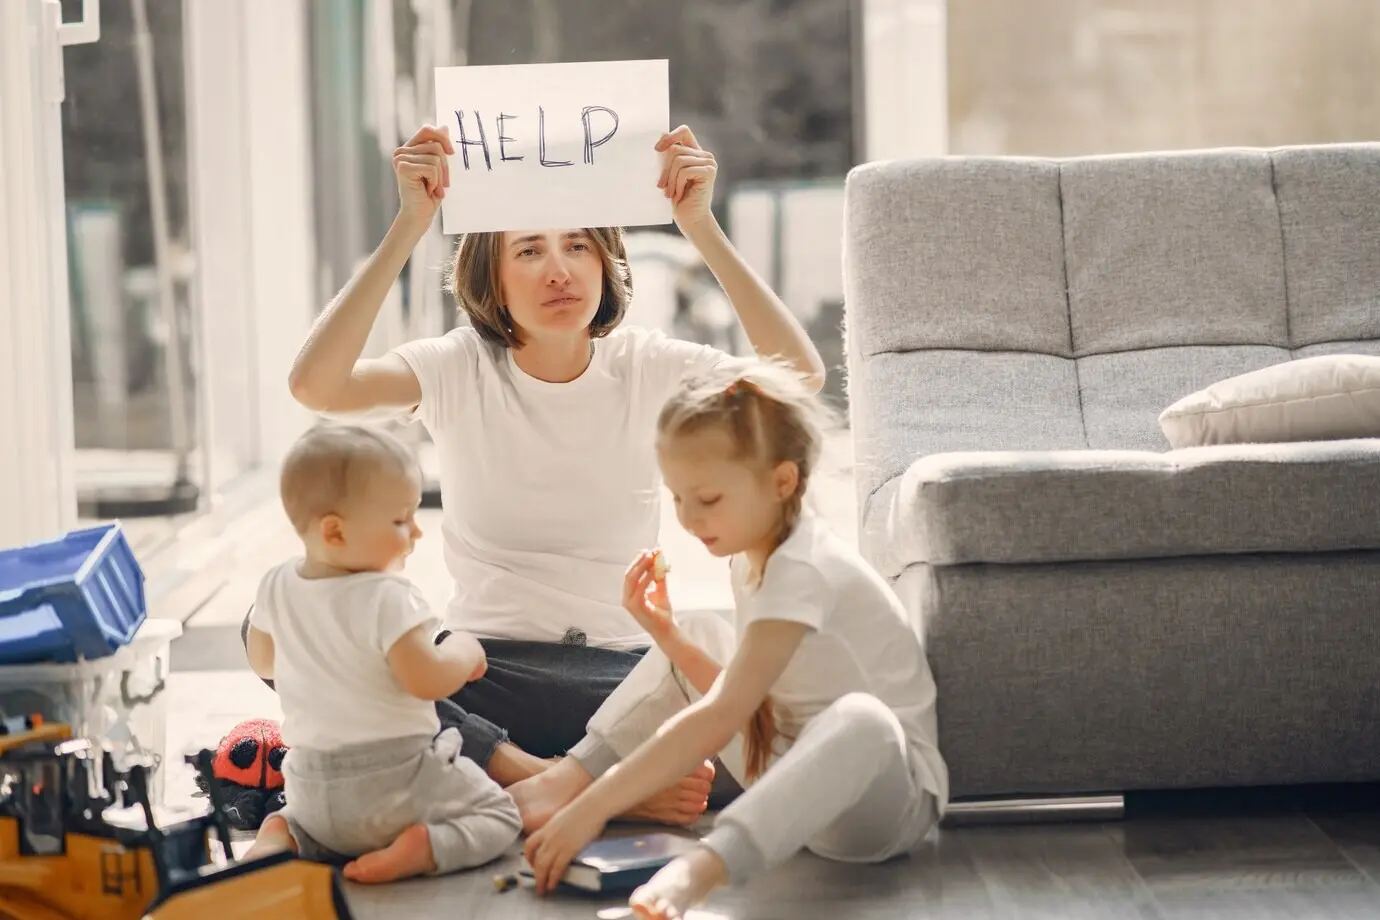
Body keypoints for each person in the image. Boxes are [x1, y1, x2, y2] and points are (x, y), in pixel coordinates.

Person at [247, 121, 826, 826]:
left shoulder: (648, 364)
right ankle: (566, 782)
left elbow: (797, 377)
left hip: (622, 678)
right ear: (490, 276)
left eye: (578, 245)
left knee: (787, 725)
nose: (560, 270)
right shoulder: (459, 365)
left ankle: (524, 784)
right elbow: (317, 386)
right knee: (284, 625)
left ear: (606, 263)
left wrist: (699, 228)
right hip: (487, 678)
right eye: (530, 250)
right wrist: (410, 225)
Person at [518, 360, 950, 919]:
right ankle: (563, 780)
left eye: (709, 499)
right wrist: (667, 637)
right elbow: (749, 702)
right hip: (790, 774)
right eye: (677, 498)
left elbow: (722, 714)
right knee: (694, 629)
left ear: (782, 481)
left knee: (863, 718)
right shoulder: (752, 551)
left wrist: (595, 810)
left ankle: (696, 872)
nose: (690, 518)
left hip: (882, 808)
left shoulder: (804, 568)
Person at [241, 423, 522, 883]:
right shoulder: (389, 597)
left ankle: (279, 836)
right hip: (396, 783)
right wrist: (464, 649)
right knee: (499, 815)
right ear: (334, 531)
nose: (416, 532)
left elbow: (264, 662)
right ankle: (421, 850)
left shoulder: (275, 585)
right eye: (400, 520)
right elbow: (427, 680)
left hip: (311, 786)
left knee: (297, 820)